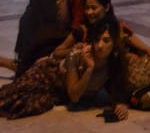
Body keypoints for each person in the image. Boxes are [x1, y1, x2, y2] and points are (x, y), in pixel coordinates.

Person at [0, 16, 130, 120]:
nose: (100, 45)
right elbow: (74, 96)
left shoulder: (115, 60)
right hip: (46, 76)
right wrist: (89, 69)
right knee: (11, 99)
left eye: (106, 40)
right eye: (97, 40)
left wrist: (121, 104)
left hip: (57, 94)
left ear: (114, 42)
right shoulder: (77, 54)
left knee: (30, 105)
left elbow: (120, 88)